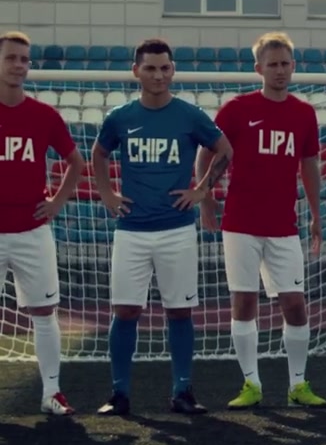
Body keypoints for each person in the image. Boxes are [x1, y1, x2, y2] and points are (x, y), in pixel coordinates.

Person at [94, 38, 233, 416]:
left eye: (165, 68)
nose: (158, 75)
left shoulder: (189, 115)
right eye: (151, 68)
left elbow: (225, 149)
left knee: (180, 311)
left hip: (177, 230)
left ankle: (182, 391)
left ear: (173, 70)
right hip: (132, 230)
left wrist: (201, 190)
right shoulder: (120, 117)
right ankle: (119, 394)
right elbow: (99, 153)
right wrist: (106, 193)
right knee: (125, 311)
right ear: (136, 71)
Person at [199, 32, 326, 409]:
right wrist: (205, 197)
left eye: (285, 63)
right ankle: (251, 384)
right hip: (240, 222)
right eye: (272, 64)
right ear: (259, 68)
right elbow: (207, 153)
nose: (280, 70)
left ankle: (298, 384)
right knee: (243, 301)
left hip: (283, 225)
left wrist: (316, 214)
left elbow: (309, 165)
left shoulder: (304, 113)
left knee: (295, 304)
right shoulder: (237, 109)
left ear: (294, 66)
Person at [0, 31, 86, 415]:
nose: (19, 65)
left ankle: (52, 392)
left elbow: (76, 163)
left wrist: (57, 202)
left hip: (32, 231)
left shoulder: (43, 115)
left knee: (45, 313)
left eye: (24, 59)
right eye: (11, 58)